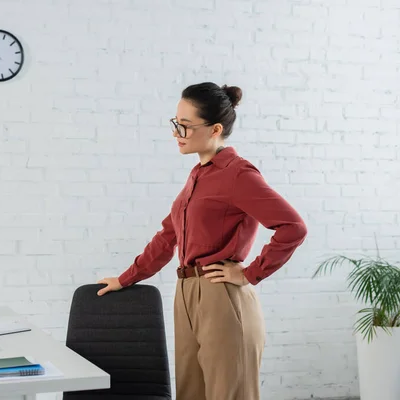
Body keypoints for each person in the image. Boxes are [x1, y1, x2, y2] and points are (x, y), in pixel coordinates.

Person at [96, 82, 308, 400]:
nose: (176, 131)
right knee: (190, 393)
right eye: (175, 122)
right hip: (186, 294)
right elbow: (169, 236)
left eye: (185, 125)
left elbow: (293, 227)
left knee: (227, 395)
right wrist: (126, 279)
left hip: (220, 296)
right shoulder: (199, 174)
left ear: (215, 129)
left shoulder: (238, 174)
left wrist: (249, 273)